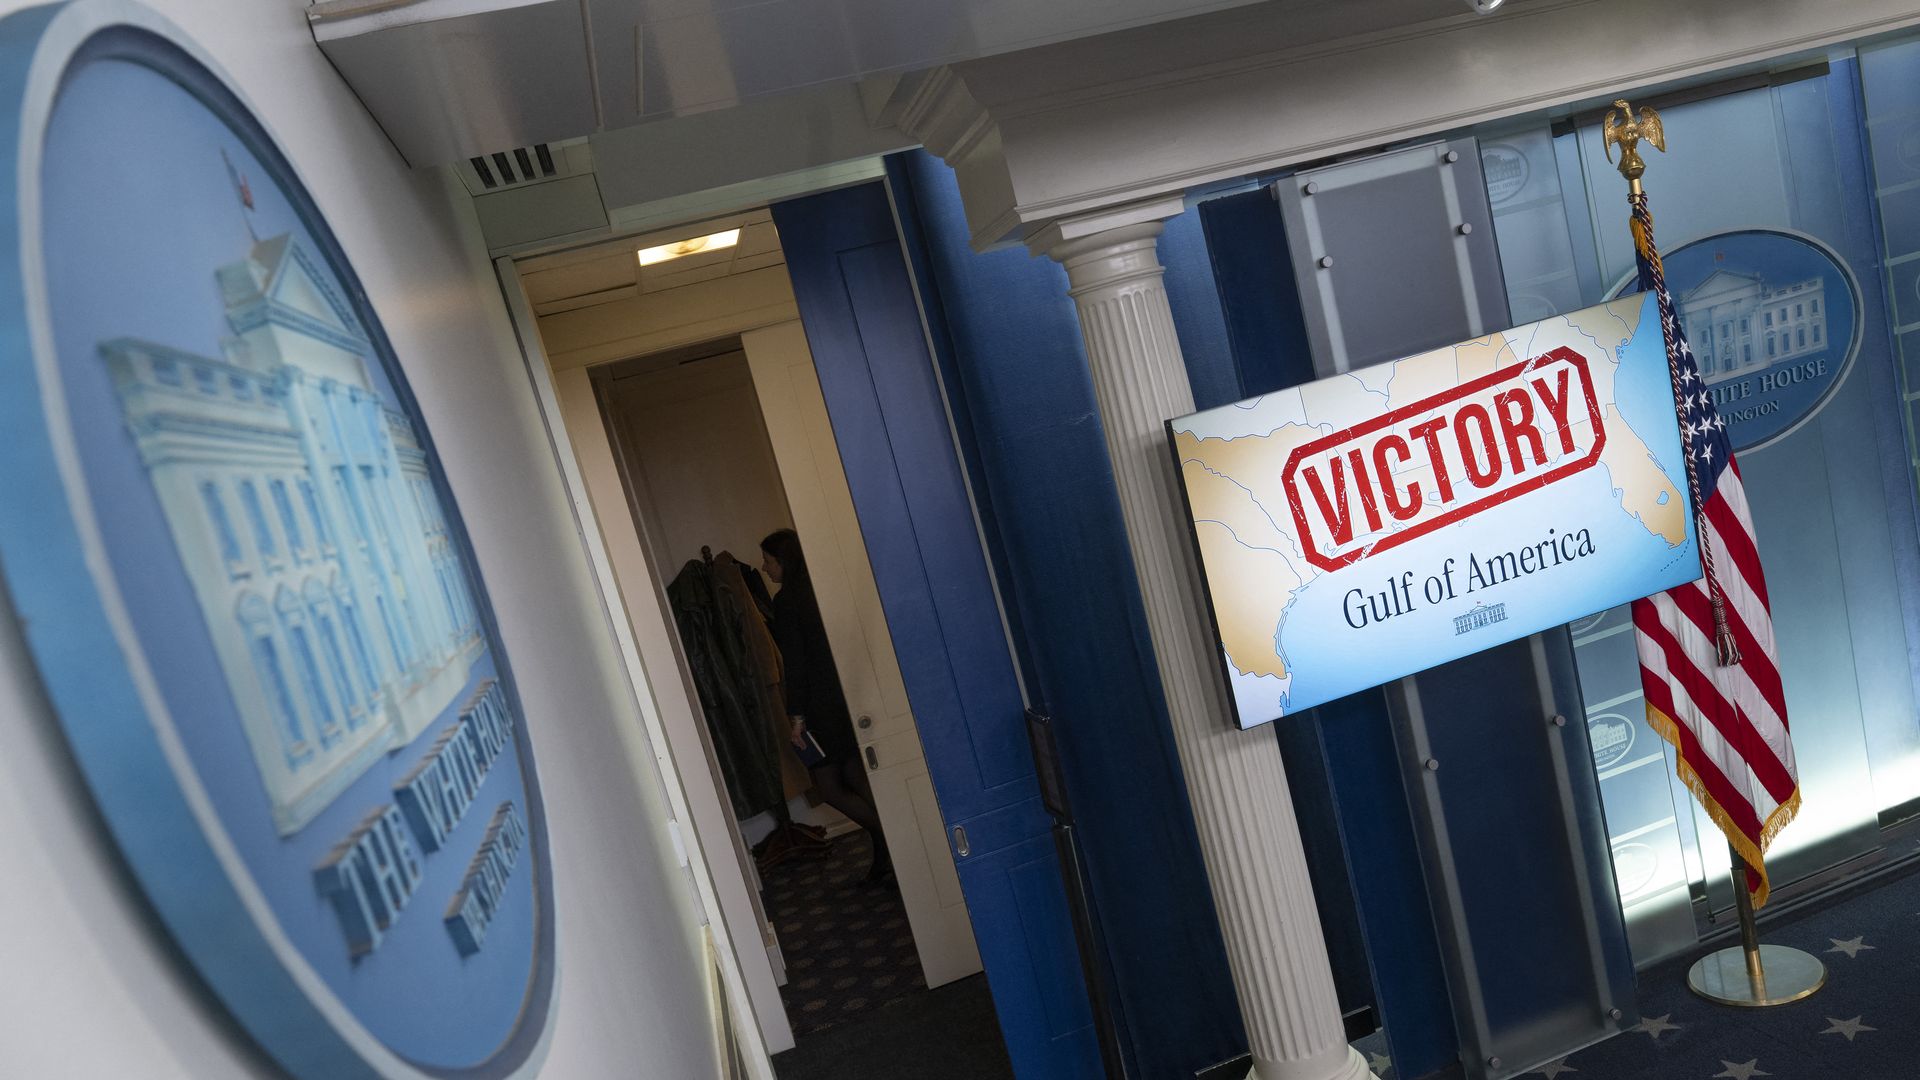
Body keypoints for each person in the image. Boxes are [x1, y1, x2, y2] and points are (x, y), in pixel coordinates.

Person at [760, 528, 893, 884]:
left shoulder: (787, 601)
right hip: (845, 696)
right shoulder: (822, 588)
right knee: (852, 773)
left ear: (784, 562)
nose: (764, 568)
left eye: (769, 561)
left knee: (828, 785)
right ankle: (890, 850)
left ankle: (891, 840)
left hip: (819, 704)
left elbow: (797, 662)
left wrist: (797, 716)